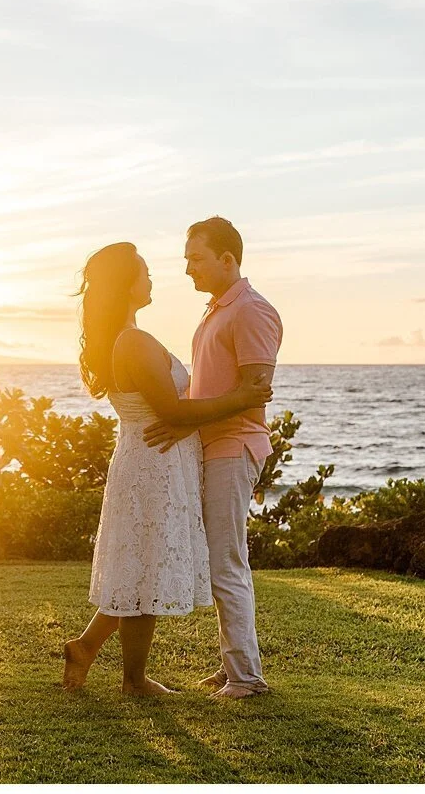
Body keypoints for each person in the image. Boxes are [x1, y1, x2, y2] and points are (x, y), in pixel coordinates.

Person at [62, 241, 273, 696]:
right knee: (145, 565)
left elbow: (172, 411)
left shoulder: (129, 337)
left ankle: (101, 657)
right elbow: (172, 411)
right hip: (150, 468)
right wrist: (244, 398)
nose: (153, 277)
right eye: (144, 270)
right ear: (126, 285)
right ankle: (129, 678)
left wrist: (188, 418)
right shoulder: (133, 342)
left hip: (150, 460)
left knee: (143, 564)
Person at [144, 217, 283, 699]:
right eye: (186, 259)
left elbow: (253, 391)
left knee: (227, 561)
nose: (188, 269)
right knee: (223, 558)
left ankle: (246, 677)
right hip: (213, 445)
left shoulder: (251, 311)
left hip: (233, 445)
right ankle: (234, 666)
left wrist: (183, 418)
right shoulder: (218, 310)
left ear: (227, 259)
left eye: (196, 259)